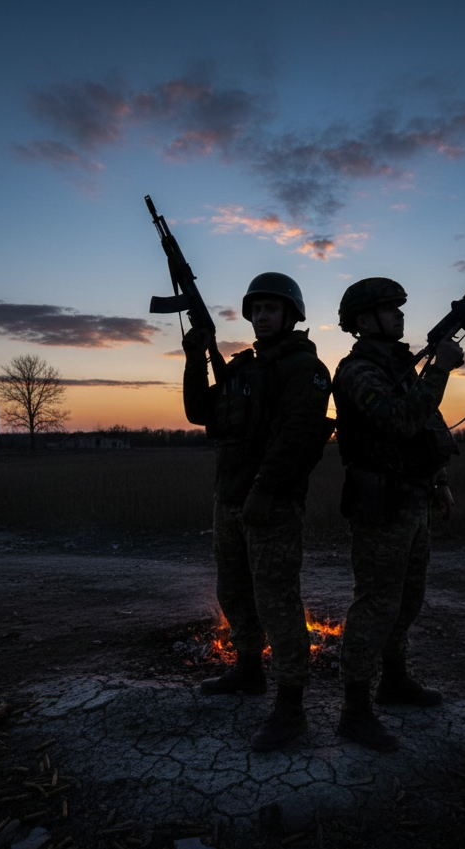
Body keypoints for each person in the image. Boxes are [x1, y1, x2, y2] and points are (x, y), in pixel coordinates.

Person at [181, 272, 332, 752]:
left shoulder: (305, 368)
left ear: (291, 314)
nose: (262, 317)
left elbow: (299, 435)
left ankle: (291, 706)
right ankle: (248, 670)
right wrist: (194, 360)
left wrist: (265, 490)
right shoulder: (244, 367)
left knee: (277, 602)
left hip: (272, 503)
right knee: (233, 590)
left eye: (272, 308)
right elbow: (199, 411)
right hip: (229, 499)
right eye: (257, 309)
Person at [331, 277, 464, 752]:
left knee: (408, 599)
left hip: (414, 498)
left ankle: (394, 680)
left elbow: (427, 427)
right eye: (390, 308)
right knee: (375, 605)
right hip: (381, 504)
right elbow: (400, 420)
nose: (400, 314)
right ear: (364, 321)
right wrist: (440, 370)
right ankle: (354, 711)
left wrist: (440, 481)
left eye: (399, 307)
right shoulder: (357, 372)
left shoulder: (399, 367)